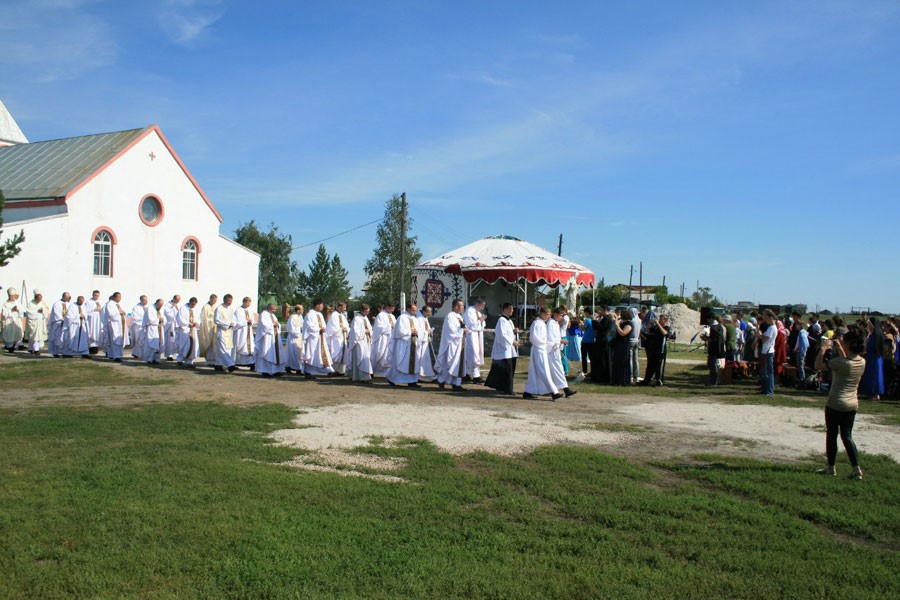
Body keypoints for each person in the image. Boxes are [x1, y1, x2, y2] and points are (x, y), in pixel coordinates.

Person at [814, 330, 866, 479]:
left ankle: (831, 467)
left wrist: (823, 349)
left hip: (836, 403)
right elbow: (848, 360)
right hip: (852, 404)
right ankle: (856, 469)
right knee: (847, 436)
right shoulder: (862, 361)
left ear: (848, 344)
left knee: (832, 435)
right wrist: (841, 349)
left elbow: (818, 365)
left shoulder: (839, 363)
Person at [523, 307, 562, 400]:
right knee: (544, 370)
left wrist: (550, 344)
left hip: (542, 349)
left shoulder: (542, 323)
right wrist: (544, 343)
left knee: (535, 371)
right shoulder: (537, 323)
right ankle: (554, 392)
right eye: (548, 314)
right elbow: (534, 338)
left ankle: (528, 391)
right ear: (543, 313)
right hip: (539, 349)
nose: (549, 316)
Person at [484, 303, 519, 395]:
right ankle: (508, 389)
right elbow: (502, 335)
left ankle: (502, 386)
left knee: (507, 369)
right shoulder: (501, 320)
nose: (512, 311)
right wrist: (512, 342)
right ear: (505, 309)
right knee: (507, 369)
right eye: (510, 309)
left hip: (510, 350)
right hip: (504, 349)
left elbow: (509, 332)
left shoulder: (509, 321)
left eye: (512, 309)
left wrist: (514, 331)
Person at [436, 299, 467, 392]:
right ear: (456, 306)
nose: (462, 307)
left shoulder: (459, 316)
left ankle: (457, 384)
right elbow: (451, 331)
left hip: (460, 343)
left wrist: (465, 329)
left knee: (459, 364)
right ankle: (441, 380)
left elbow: (462, 327)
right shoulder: (450, 316)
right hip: (453, 344)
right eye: (461, 306)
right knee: (451, 364)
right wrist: (462, 331)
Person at [388, 302, 421, 387]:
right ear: (408, 309)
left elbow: (419, 330)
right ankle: (394, 379)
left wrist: (417, 333)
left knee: (413, 362)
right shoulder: (402, 318)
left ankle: (412, 381)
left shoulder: (415, 319)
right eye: (413, 310)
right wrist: (410, 331)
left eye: (415, 310)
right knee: (400, 361)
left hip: (412, 343)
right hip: (403, 344)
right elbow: (399, 331)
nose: (414, 311)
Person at [548, 307, 577, 397]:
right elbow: (550, 337)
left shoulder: (555, 323)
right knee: (554, 371)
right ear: (556, 314)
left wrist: (560, 341)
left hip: (556, 349)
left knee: (559, 370)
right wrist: (560, 341)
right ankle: (556, 390)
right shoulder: (550, 324)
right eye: (561, 316)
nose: (561, 318)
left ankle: (565, 389)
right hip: (551, 350)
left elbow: (556, 336)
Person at [302, 299, 334, 378]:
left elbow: (323, 325)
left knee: (322, 354)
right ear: (317, 305)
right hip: (313, 338)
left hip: (321, 338)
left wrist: (323, 329)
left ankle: (328, 370)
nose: (323, 307)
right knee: (312, 354)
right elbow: (309, 326)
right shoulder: (309, 315)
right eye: (321, 305)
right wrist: (319, 329)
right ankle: (309, 372)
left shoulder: (320, 314)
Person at [255, 303, 285, 377]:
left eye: (275, 309)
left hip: (274, 337)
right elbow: (264, 325)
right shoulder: (263, 314)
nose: (274, 311)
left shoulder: (273, 315)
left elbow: (277, 324)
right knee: (267, 353)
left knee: (275, 354)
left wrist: (277, 325)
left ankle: (276, 370)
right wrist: (273, 325)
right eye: (273, 309)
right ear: (269, 308)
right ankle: (265, 371)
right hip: (267, 337)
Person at [641, 313, 671, 386]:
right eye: (659, 319)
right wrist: (650, 323)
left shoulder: (666, 327)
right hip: (654, 349)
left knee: (659, 366)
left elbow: (665, 333)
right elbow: (648, 330)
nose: (659, 320)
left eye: (661, 319)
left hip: (661, 350)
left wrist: (658, 324)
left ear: (665, 320)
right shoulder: (656, 327)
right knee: (651, 365)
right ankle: (647, 380)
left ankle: (659, 380)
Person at [859, 317, 885, 400]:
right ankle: (869, 392)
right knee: (869, 375)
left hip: (875, 357)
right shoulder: (872, 334)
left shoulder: (876, 335)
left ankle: (875, 393)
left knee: (875, 376)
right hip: (871, 357)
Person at [347, 304, 373, 383]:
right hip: (359, 342)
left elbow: (370, 328)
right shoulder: (357, 319)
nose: (367, 313)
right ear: (362, 310)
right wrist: (365, 331)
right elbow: (355, 332)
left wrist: (369, 331)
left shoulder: (365, 318)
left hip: (366, 341)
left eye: (368, 311)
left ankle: (365, 376)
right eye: (366, 311)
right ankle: (360, 377)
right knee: (360, 358)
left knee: (365, 358)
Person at [463, 298, 487, 384]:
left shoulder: (478, 313)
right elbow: (471, 325)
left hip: (478, 335)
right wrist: (480, 320)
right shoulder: (469, 311)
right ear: (477, 304)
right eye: (482, 306)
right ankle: (474, 376)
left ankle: (470, 374)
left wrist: (482, 320)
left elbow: (483, 325)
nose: (483, 308)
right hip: (471, 336)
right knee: (472, 355)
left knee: (476, 355)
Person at [371, 304, 396, 378]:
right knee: (380, 353)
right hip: (382, 338)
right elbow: (379, 327)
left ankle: (386, 372)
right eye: (392, 308)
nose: (393, 310)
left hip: (391, 337)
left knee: (388, 354)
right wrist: (390, 326)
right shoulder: (381, 315)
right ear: (387, 307)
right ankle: (373, 370)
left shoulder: (392, 316)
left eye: (393, 309)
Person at [590, 306, 613, 384]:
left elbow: (600, 327)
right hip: (602, 339)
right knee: (600, 358)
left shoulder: (607, 318)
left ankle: (602, 376)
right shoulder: (605, 318)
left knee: (602, 358)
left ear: (605, 310)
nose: (600, 311)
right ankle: (599, 375)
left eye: (601, 310)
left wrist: (594, 320)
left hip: (603, 340)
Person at [103, 292, 129, 362]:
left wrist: (123, 313)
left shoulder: (120, 304)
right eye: (118, 297)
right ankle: (116, 356)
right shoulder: (110, 304)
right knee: (115, 339)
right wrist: (119, 313)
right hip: (114, 324)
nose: (119, 298)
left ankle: (116, 355)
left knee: (120, 339)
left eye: (120, 297)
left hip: (121, 324)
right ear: (114, 297)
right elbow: (111, 315)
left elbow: (124, 312)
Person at [214, 294, 237, 372]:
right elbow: (216, 320)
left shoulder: (231, 309)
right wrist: (227, 324)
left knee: (228, 348)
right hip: (222, 331)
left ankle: (219, 364)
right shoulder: (219, 308)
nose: (230, 302)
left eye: (231, 301)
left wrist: (233, 323)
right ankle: (231, 365)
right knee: (223, 349)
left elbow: (234, 318)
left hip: (229, 332)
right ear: (224, 300)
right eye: (228, 301)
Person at [175, 297, 200, 367]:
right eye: (192, 304)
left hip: (193, 330)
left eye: (194, 304)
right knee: (183, 345)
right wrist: (187, 323)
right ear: (189, 302)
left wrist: (196, 323)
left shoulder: (196, 309)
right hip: (185, 330)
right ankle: (180, 359)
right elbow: (180, 318)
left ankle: (190, 361)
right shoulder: (183, 308)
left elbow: (198, 318)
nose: (193, 306)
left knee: (193, 345)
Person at [326, 301, 350, 375]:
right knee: (336, 354)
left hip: (343, 337)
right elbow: (332, 327)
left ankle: (340, 370)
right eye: (344, 307)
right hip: (336, 338)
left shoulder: (342, 316)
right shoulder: (334, 315)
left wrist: (347, 329)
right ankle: (332, 370)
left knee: (343, 353)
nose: (345, 309)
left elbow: (347, 326)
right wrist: (341, 329)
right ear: (339, 307)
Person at [611, 309, 633, 386]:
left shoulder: (629, 324)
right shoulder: (622, 323)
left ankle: (623, 381)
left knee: (623, 363)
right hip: (618, 344)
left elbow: (623, 333)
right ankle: (616, 380)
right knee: (616, 362)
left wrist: (617, 325)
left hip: (624, 345)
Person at [416, 305, 437, 383]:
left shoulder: (425, 318)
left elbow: (427, 328)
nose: (430, 313)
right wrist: (426, 332)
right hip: (421, 343)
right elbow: (419, 331)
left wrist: (430, 332)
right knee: (421, 359)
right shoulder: (418, 319)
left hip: (426, 342)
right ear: (424, 311)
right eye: (429, 312)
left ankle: (426, 374)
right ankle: (420, 376)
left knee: (426, 360)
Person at [758, 309, 777, 397]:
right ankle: (765, 389)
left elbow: (765, 339)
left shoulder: (772, 328)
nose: (764, 317)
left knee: (769, 372)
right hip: (766, 350)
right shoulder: (770, 327)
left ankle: (770, 390)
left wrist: (759, 335)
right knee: (765, 371)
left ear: (769, 317)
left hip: (768, 351)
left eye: (765, 315)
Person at [24, 290, 49, 355]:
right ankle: (36, 350)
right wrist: (37, 312)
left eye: (40, 299)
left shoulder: (42, 303)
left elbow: (46, 311)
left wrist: (43, 312)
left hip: (40, 322)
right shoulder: (30, 304)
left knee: (36, 336)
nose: (39, 300)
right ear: (35, 298)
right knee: (34, 336)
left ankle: (31, 348)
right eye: (38, 299)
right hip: (33, 322)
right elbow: (29, 313)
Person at [233, 297, 255, 370]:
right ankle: (239, 362)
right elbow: (236, 322)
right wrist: (246, 322)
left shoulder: (250, 310)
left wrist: (251, 322)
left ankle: (250, 363)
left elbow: (252, 319)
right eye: (247, 303)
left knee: (249, 346)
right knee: (241, 345)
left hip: (249, 330)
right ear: (244, 302)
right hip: (241, 331)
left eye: (249, 303)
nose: (248, 304)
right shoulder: (238, 311)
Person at [143, 298, 165, 365]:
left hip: (159, 328)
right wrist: (158, 320)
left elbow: (163, 317)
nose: (160, 307)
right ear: (156, 303)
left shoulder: (160, 309)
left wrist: (163, 320)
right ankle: (150, 359)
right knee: (152, 344)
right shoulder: (150, 308)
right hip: (152, 328)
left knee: (159, 344)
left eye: (161, 305)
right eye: (159, 305)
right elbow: (150, 319)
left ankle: (157, 359)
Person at [1, 287, 23, 352]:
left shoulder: (17, 303)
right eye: (11, 296)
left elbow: (22, 311)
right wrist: (11, 310)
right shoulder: (5, 304)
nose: (12, 297)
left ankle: (16, 344)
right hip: (9, 321)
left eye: (13, 296)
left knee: (17, 333)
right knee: (9, 334)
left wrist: (18, 310)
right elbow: (4, 314)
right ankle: (9, 346)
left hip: (16, 321)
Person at [48, 292, 70, 357]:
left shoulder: (68, 304)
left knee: (63, 338)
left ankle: (63, 351)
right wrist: (62, 319)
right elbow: (56, 313)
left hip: (65, 323)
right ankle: (55, 352)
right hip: (57, 323)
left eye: (68, 297)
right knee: (56, 337)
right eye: (66, 297)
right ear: (63, 296)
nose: (67, 298)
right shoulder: (57, 304)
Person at [198, 294, 218, 365]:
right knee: (208, 341)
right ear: (210, 299)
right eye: (214, 300)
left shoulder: (215, 307)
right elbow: (204, 318)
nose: (215, 301)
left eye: (216, 300)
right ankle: (209, 359)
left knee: (214, 342)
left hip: (214, 327)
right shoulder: (205, 307)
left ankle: (214, 359)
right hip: (208, 327)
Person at [285, 304, 305, 374]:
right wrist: (297, 333)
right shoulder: (292, 317)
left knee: (299, 353)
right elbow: (290, 328)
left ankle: (298, 367)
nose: (303, 310)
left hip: (299, 337)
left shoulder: (301, 317)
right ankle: (291, 367)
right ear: (298, 310)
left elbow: (302, 326)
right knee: (293, 353)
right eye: (302, 309)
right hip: (293, 338)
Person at [84, 290, 104, 355]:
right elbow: (85, 311)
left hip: (98, 320)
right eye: (95, 295)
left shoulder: (100, 302)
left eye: (98, 295)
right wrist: (94, 310)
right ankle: (91, 347)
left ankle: (96, 347)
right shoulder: (88, 302)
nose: (96, 297)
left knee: (97, 332)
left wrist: (101, 310)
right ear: (93, 295)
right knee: (92, 332)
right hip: (91, 320)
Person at [162, 295, 181, 360]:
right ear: (174, 299)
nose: (178, 301)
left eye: (179, 300)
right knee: (170, 341)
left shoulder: (178, 305)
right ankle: (169, 355)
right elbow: (169, 315)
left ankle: (176, 353)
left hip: (177, 325)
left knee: (176, 340)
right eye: (177, 300)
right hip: (171, 325)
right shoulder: (168, 305)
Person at [793, 320, 810, 388]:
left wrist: (798, 349)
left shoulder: (801, 333)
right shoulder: (803, 332)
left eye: (797, 324)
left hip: (800, 351)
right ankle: (802, 380)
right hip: (801, 351)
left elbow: (803, 343)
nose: (796, 326)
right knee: (800, 366)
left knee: (800, 366)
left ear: (800, 325)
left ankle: (803, 380)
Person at [131, 296, 148, 360]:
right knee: (138, 340)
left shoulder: (147, 307)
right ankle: (136, 353)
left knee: (144, 340)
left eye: (146, 300)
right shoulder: (136, 308)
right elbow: (134, 317)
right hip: (138, 326)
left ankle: (143, 353)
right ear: (141, 300)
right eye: (144, 300)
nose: (145, 301)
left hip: (145, 326)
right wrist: (143, 319)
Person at [629, 307, 642, 383]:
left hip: (631, 340)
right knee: (636, 359)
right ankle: (636, 376)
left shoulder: (632, 321)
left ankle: (630, 376)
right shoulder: (639, 320)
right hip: (637, 340)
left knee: (630, 359)